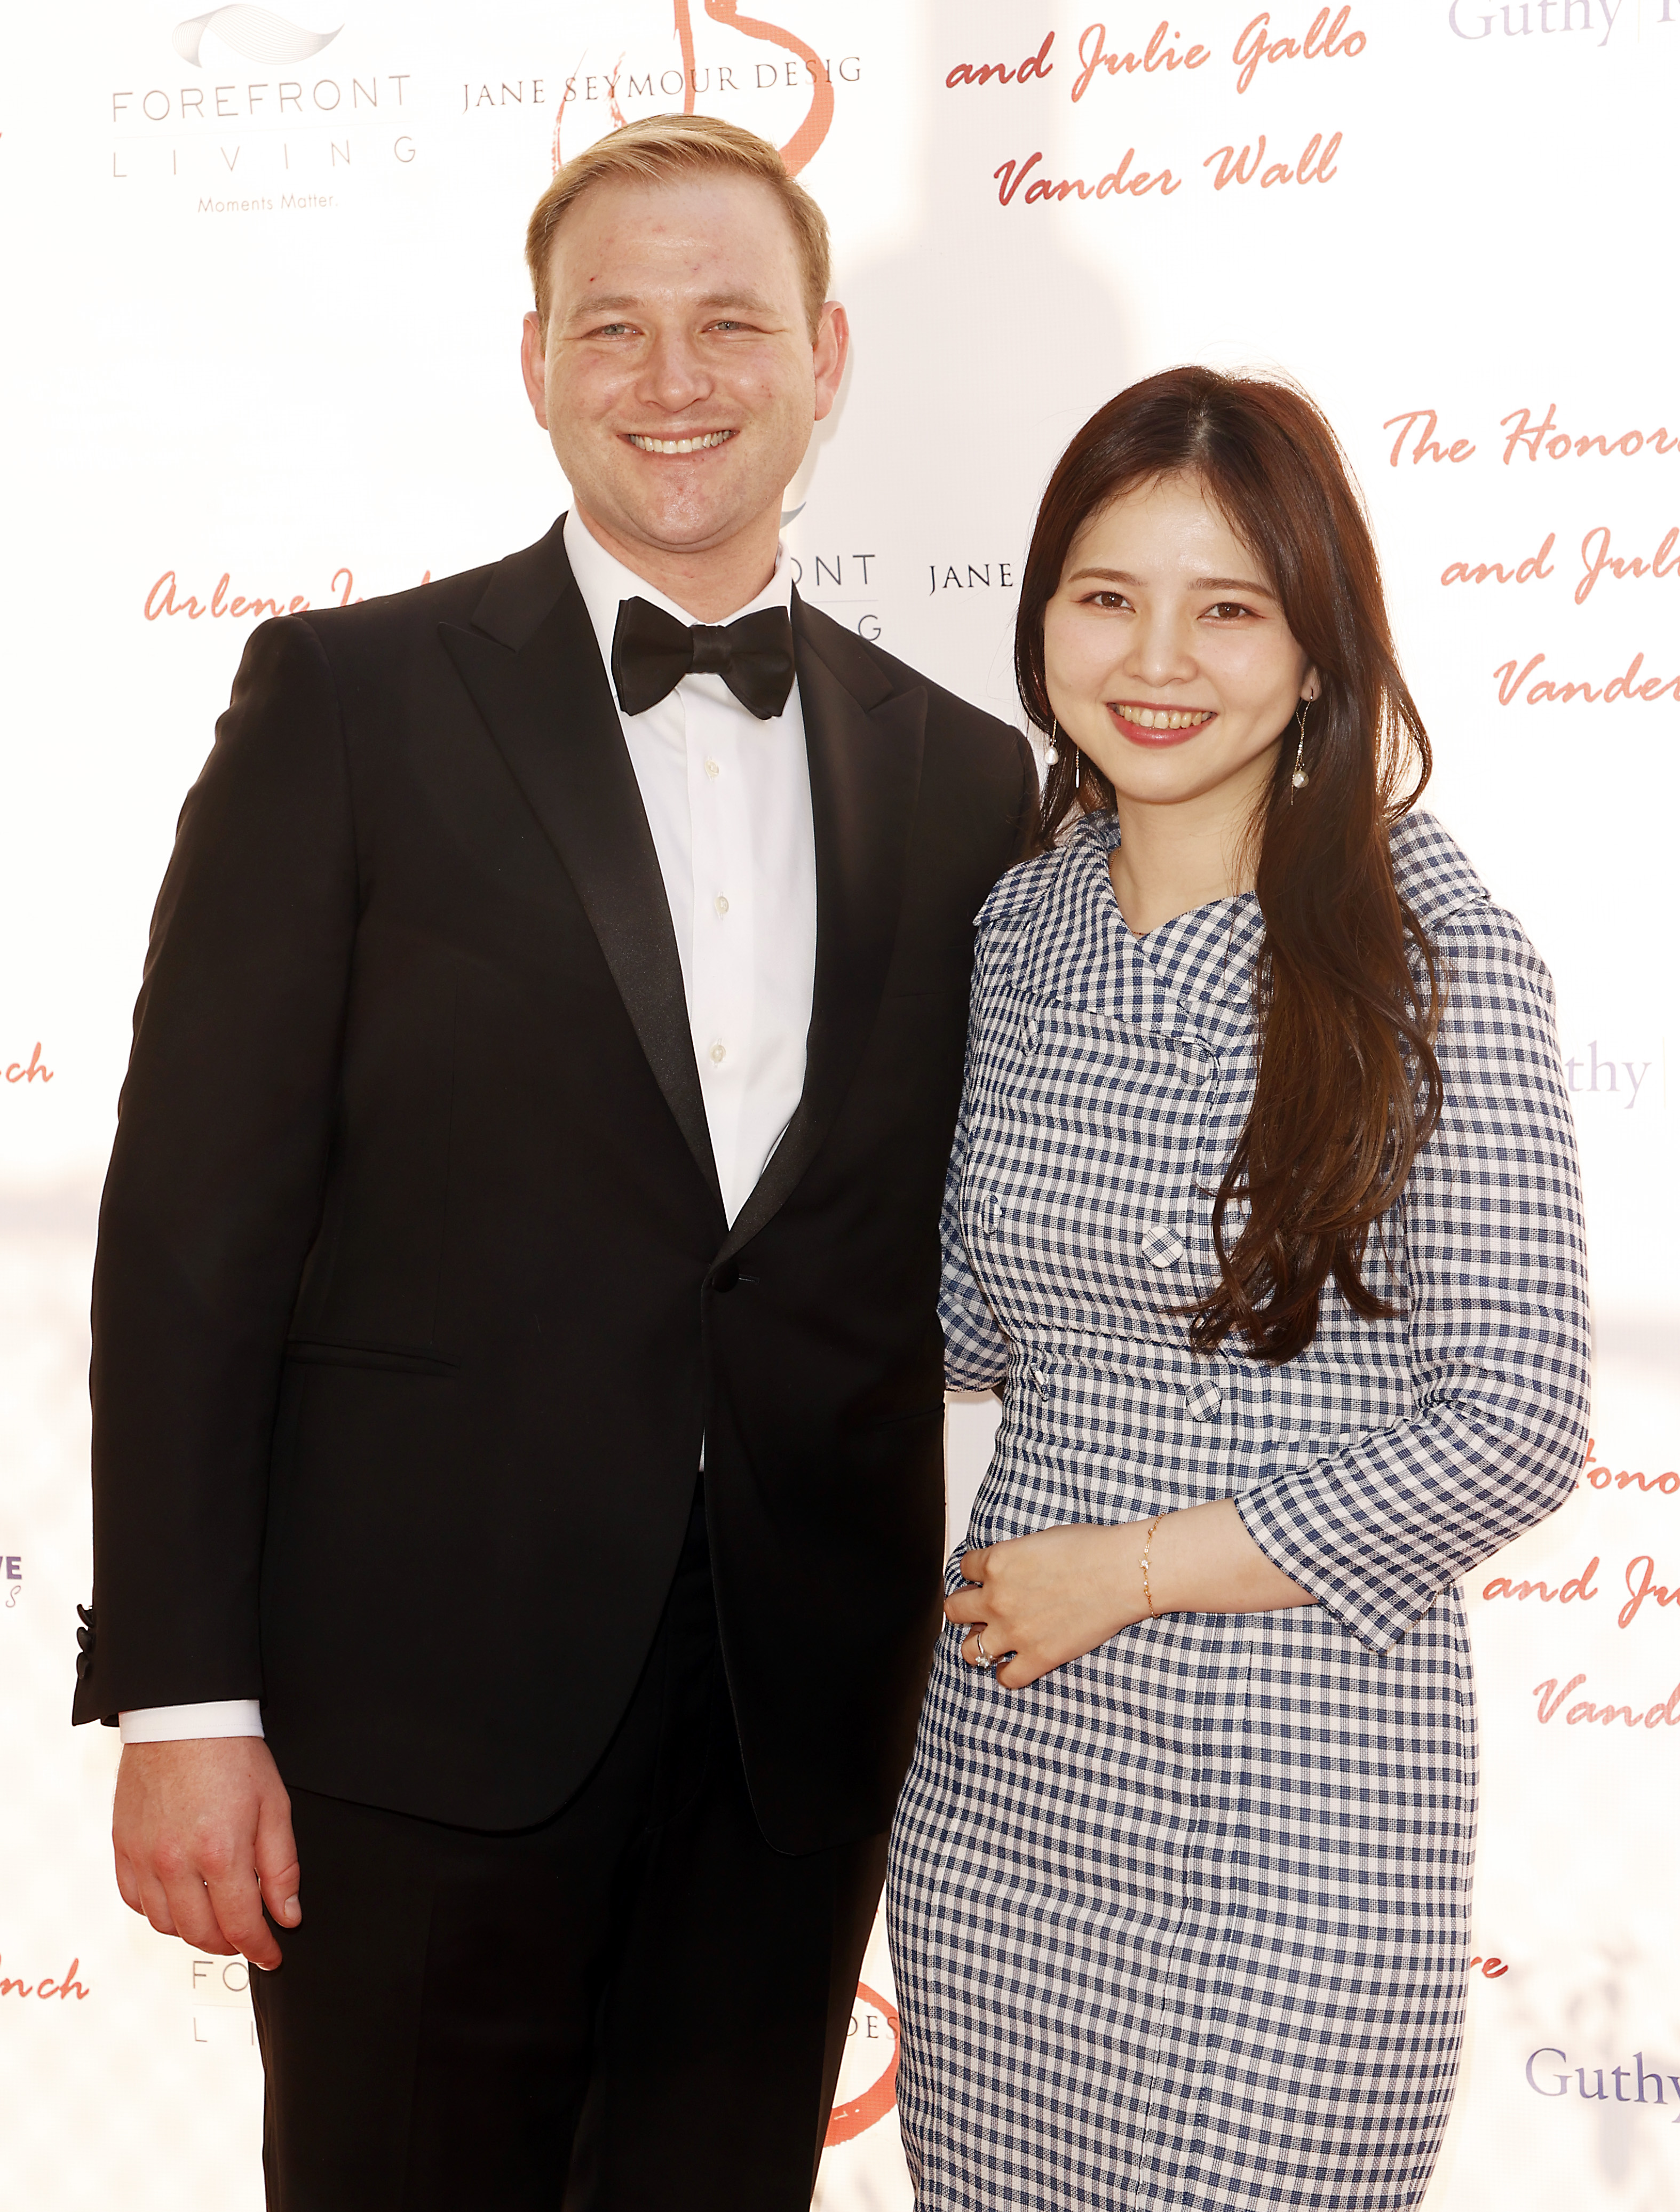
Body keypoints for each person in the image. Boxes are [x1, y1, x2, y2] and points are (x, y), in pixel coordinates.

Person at [73, 113, 1033, 2209]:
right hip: (409, 1707)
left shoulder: (972, 779)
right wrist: (181, 1689)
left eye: (725, 323)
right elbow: (188, 1238)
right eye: (613, 327)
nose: (670, 377)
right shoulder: (341, 699)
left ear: (825, 355)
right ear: (533, 363)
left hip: (792, 1715)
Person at [888, 367, 1589, 2212]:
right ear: (1040, 614)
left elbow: (1513, 1421)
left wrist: (1128, 1571)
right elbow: (966, 1316)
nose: (1157, 657)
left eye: (1228, 606)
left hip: (1294, 1784)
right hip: (1009, 1771)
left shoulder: (1420, 948)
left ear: (1314, 643)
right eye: (1106, 595)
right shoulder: (1013, 920)